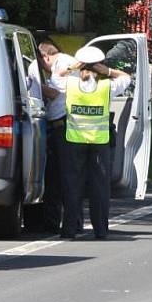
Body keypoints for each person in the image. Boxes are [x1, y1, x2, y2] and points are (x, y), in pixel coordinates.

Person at [58, 46, 131, 239]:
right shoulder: (106, 86)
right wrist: (106, 71)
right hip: (99, 143)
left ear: (80, 66)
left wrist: (73, 67)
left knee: (73, 185)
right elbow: (126, 78)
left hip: (74, 141)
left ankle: (70, 229)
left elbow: (55, 78)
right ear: (98, 66)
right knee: (99, 188)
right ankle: (100, 230)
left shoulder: (70, 84)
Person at [38, 40, 77, 234]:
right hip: (59, 127)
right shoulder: (64, 63)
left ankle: (72, 224)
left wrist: (35, 84)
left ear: (45, 56)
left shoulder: (62, 64)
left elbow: (54, 93)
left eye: (41, 63)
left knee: (64, 177)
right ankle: (55, 222)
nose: (43, 68)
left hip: (64, 126)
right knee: (56, 176)